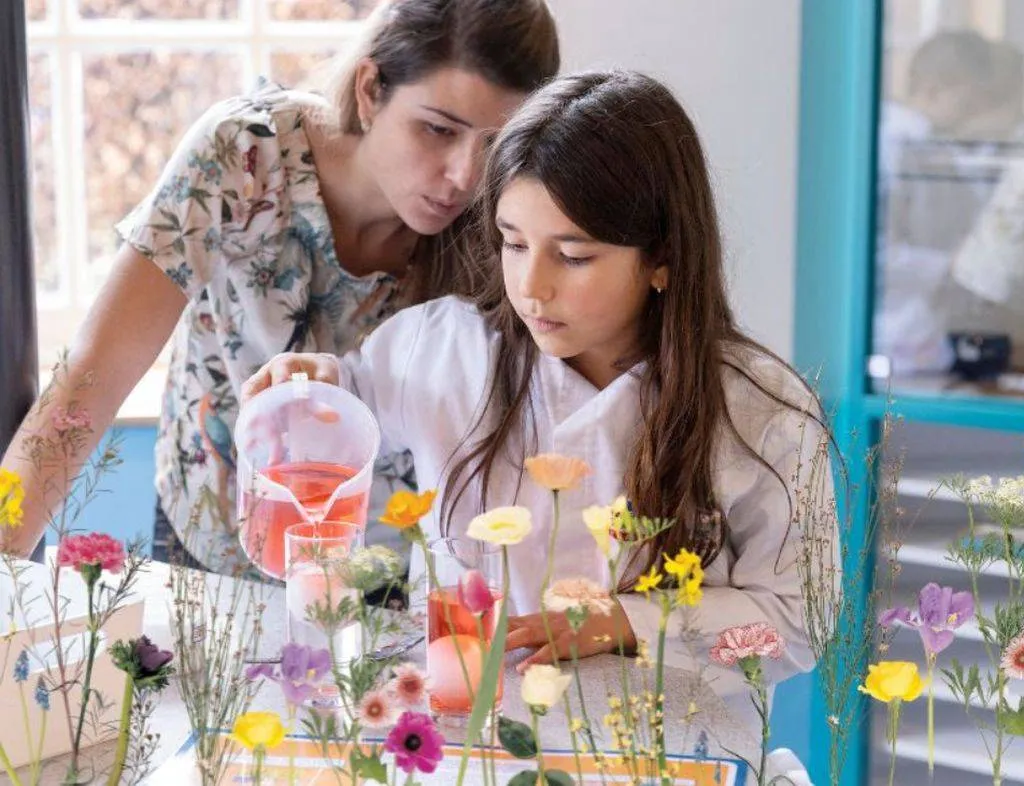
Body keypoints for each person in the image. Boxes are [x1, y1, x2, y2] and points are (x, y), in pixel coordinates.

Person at [243, 70, 838, 752]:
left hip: (657, 754)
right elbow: (333, 419)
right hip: (461, 751)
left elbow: (799, 623)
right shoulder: (442, 349)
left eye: (573, 256)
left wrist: (625, 623)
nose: (531, 287)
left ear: (662, 258)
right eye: (514, 243)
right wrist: (309, 387)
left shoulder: (761, 411)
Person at [0, 0, 560, 572]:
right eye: (438, 129)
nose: (464, 175)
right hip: (214, 550)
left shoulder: (505, 220)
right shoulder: (242, 155)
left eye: (494, 143)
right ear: (370, 90)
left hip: (379, 575)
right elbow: (94, 372)